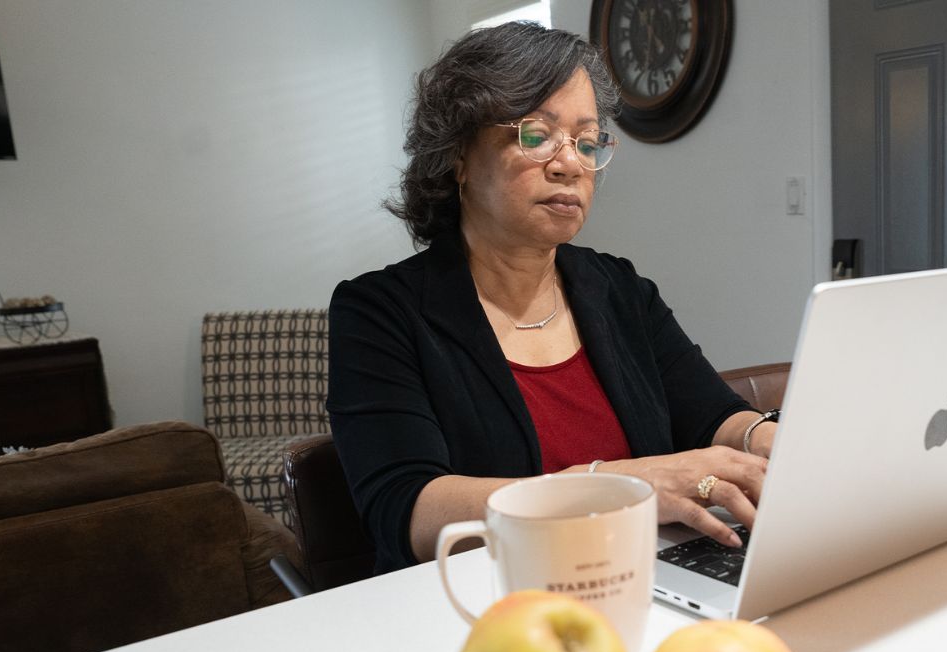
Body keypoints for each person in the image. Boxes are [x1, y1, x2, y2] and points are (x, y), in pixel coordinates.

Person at [328, 22, 779, 575]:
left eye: (587, 143)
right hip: (482, 600)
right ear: (459, 158)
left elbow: (711, 414)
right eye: (536, 135)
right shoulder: (380, 311)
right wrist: (617, 486)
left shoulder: (620, 289)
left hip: (634, 575)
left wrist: (766, 439)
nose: (571, 164)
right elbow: (410, 512)